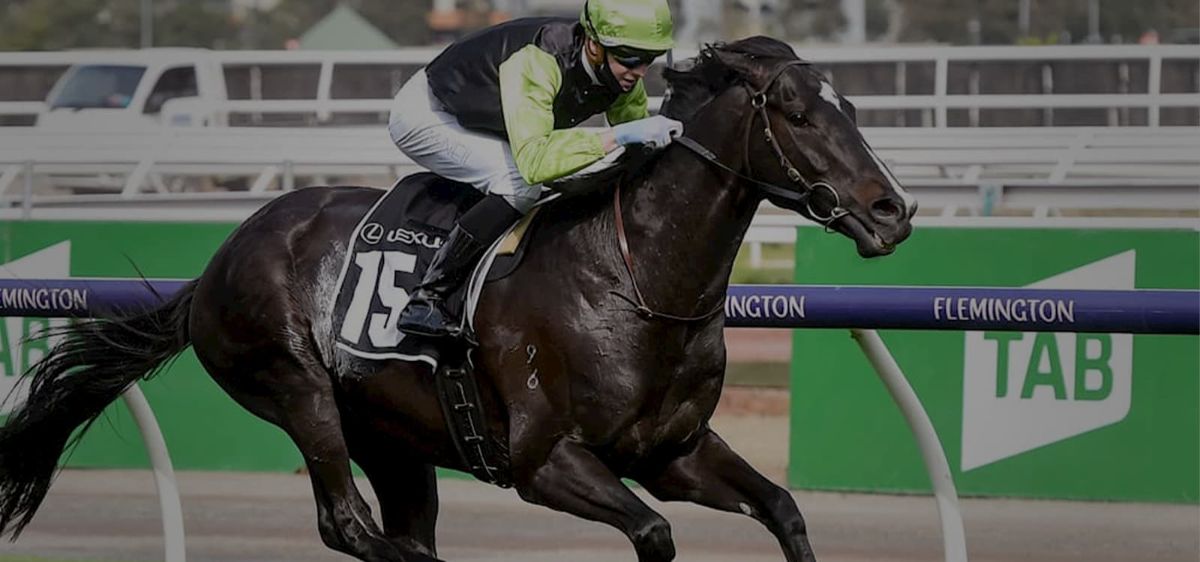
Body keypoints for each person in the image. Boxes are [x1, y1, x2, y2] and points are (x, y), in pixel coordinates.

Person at [388, 0, 682, 338]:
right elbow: (535, 162)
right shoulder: (539, 61)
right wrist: (619, 135)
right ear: (594, 46)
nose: (640, 71)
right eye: (629, 57)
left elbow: (637, 148)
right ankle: (428, 298)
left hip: (486, 120)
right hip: (431, 113)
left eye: (648, 59)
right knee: (519, 184)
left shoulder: (621, 76)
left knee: (589, 163)